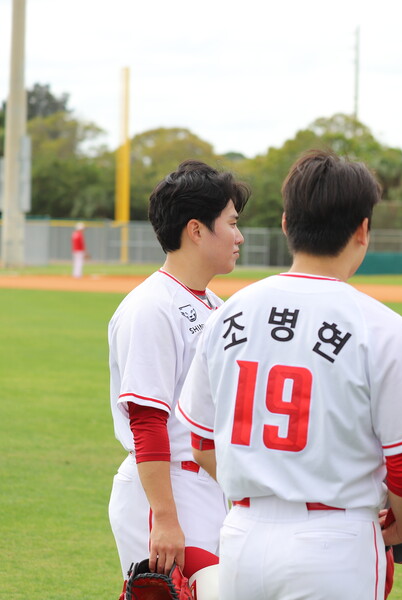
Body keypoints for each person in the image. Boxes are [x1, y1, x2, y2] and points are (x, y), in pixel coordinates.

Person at [175, 150, 402, 600]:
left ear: (286, 223)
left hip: (243, 535)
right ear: (363, 230)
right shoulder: (382, 327)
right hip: (336, 541)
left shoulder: (228, 315)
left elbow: (204, 444)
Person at [107, 160, 251, 582]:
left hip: (208, 485)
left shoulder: (216, 306)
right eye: (231, 223)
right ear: (196, 230)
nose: (239, 236)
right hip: (165, 490)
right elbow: (147, 419)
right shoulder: (152, 306)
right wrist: (165, 520)